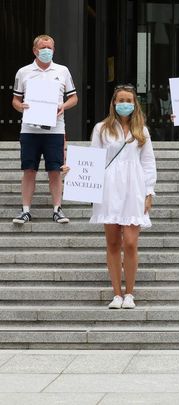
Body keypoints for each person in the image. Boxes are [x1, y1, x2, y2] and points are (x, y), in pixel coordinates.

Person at [90, 85, 157, 310]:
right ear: (114, 102)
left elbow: (148, 162)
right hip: (109, 187)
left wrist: (150, 192)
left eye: (129, 99)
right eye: (121, 99)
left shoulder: (142, 131)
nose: (125, 103)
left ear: (135, 103)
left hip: (134, 187)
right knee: (112, 242)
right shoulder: (101, 129)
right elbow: (93, 160)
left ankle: (130, 293)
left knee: (130, 242)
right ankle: (116, 294)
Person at [12, 34, 78, 224]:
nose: (47, 51)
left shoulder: (62, 70)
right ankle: (25, 210)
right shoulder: (23, 72)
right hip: (29, 129)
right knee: (29, 170)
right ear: (35, 50)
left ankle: (57, 209)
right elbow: (15, 100)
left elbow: (74, 97)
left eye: (50, 48)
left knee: (55, 171)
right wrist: (20, 106)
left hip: (55, 130)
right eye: (43, 48)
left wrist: (63, 106)